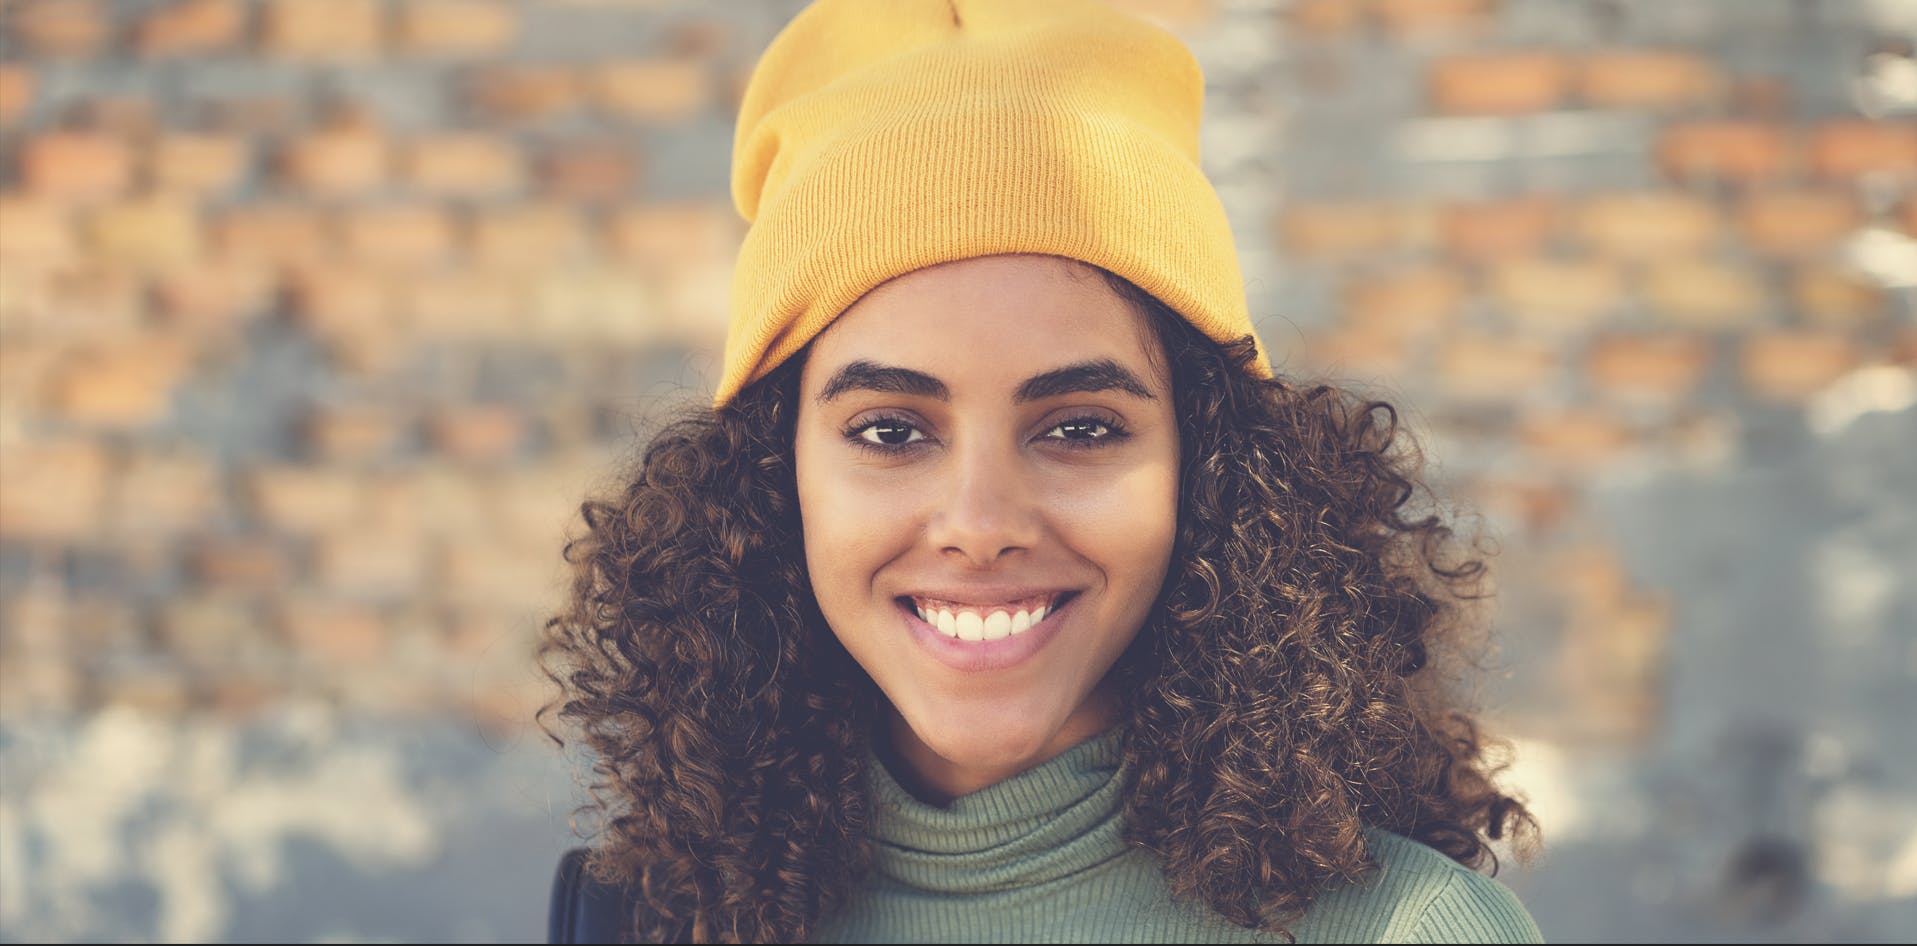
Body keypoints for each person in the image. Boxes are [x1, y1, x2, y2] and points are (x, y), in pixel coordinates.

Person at [537, 0, 1543, 942]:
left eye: (1081, 428)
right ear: (768, 481)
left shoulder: (1409, 930)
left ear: (1214, 473)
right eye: (889, 431)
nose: (980, 524)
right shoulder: (654, 915)